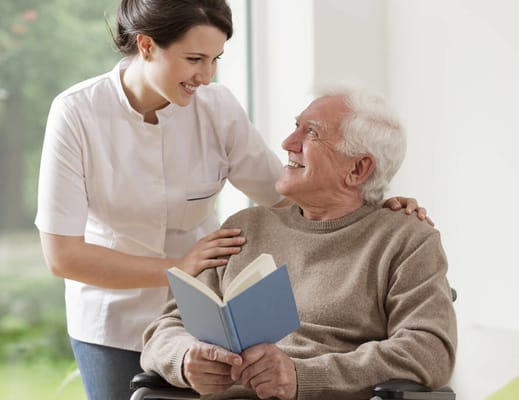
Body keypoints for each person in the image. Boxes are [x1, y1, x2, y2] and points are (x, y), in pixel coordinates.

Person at [35, 1, 428, 399]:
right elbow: (63, 256)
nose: (206, 76)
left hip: (204, 318)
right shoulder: (76, 114)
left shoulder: (217, 108)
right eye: (194, 59)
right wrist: (179, 267)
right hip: (113, 316)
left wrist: (379, 209)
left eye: (215, 58)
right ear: (147, 46)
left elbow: (290, 193)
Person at [140, 84, 457, 400]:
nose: (288, 142)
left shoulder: (407, 240)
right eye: (296, 127)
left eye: (312, 133)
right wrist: (185, 358)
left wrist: (302, 375)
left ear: (358, 168)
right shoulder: (244, 227)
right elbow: (166, 328)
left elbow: (429, 351)